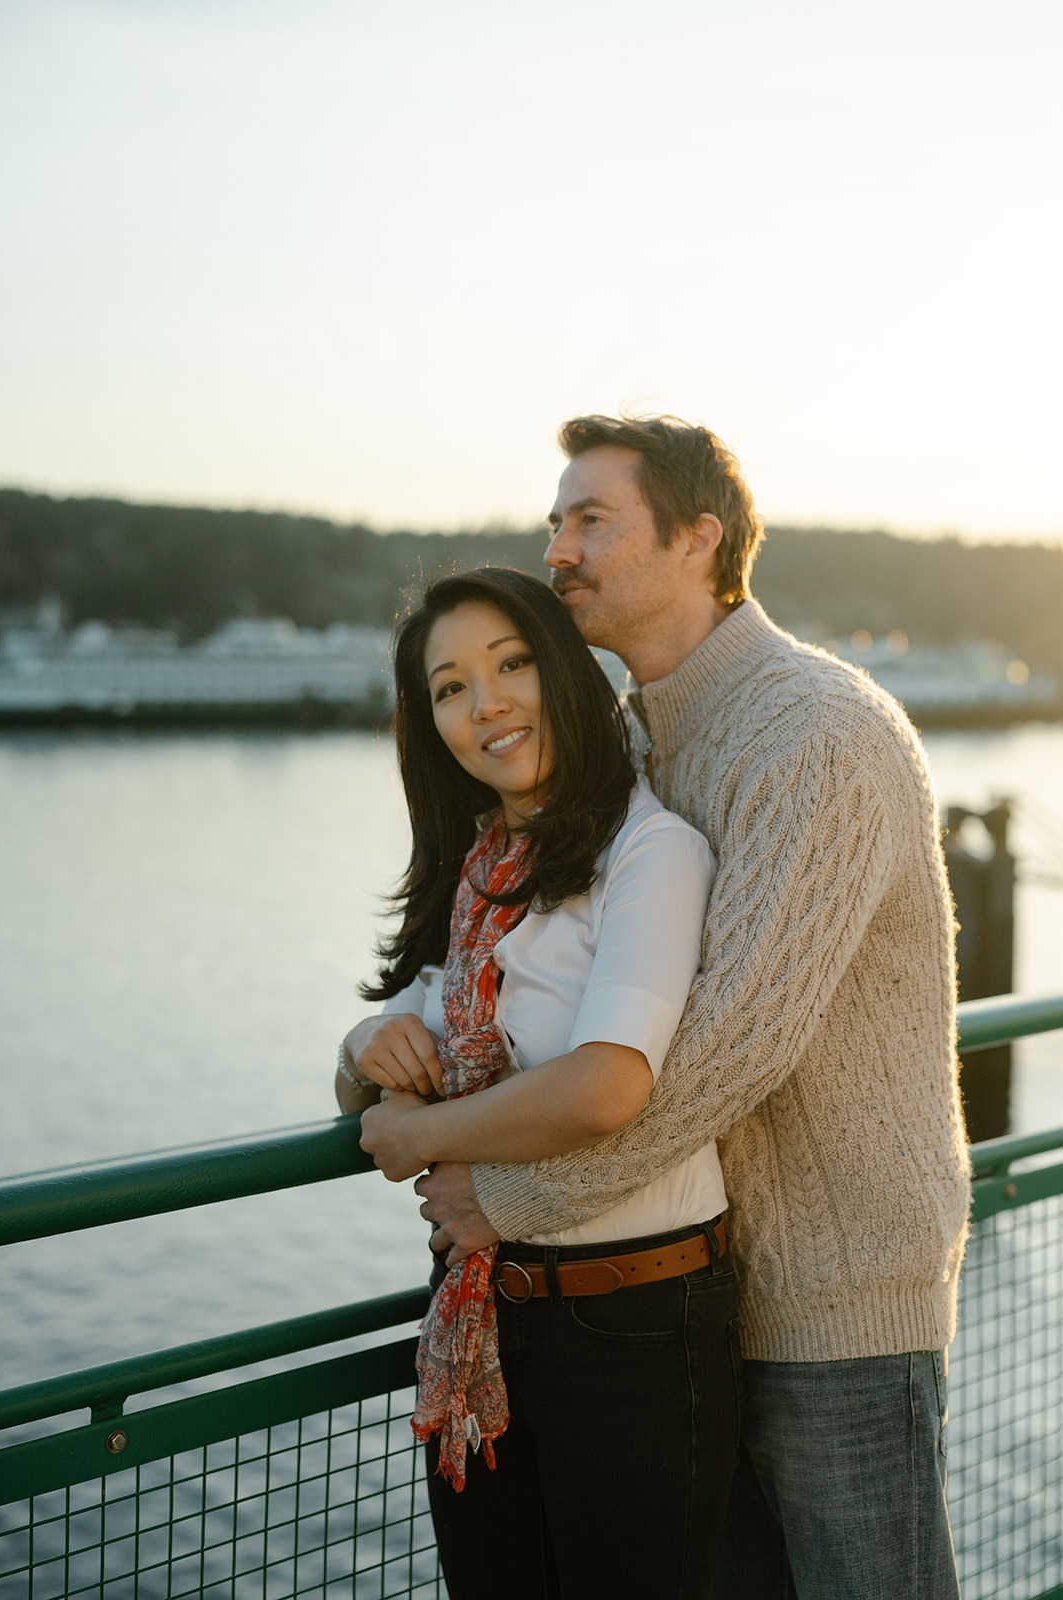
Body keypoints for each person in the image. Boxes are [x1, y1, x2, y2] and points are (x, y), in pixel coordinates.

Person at [413, 418, 972, 1599]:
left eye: (589, 519)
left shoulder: (812, 731)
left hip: (835, 1305)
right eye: (553, 520)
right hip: (693, 1300)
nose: (555, 547)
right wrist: (383, 1039)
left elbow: (727, 1051)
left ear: (698, 539)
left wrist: (506, 1197)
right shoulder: (629, 742)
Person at [336, 566, 741, 1600]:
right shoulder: (482, 870)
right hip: (480, 1310)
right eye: (450, 687)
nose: (487, 703)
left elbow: (605, 1083)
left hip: (633, 1327)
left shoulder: (651, 853)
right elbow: (396, 1044)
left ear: (564, 673)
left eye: (511, 663)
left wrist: (426, 1136)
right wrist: (363, 1052)